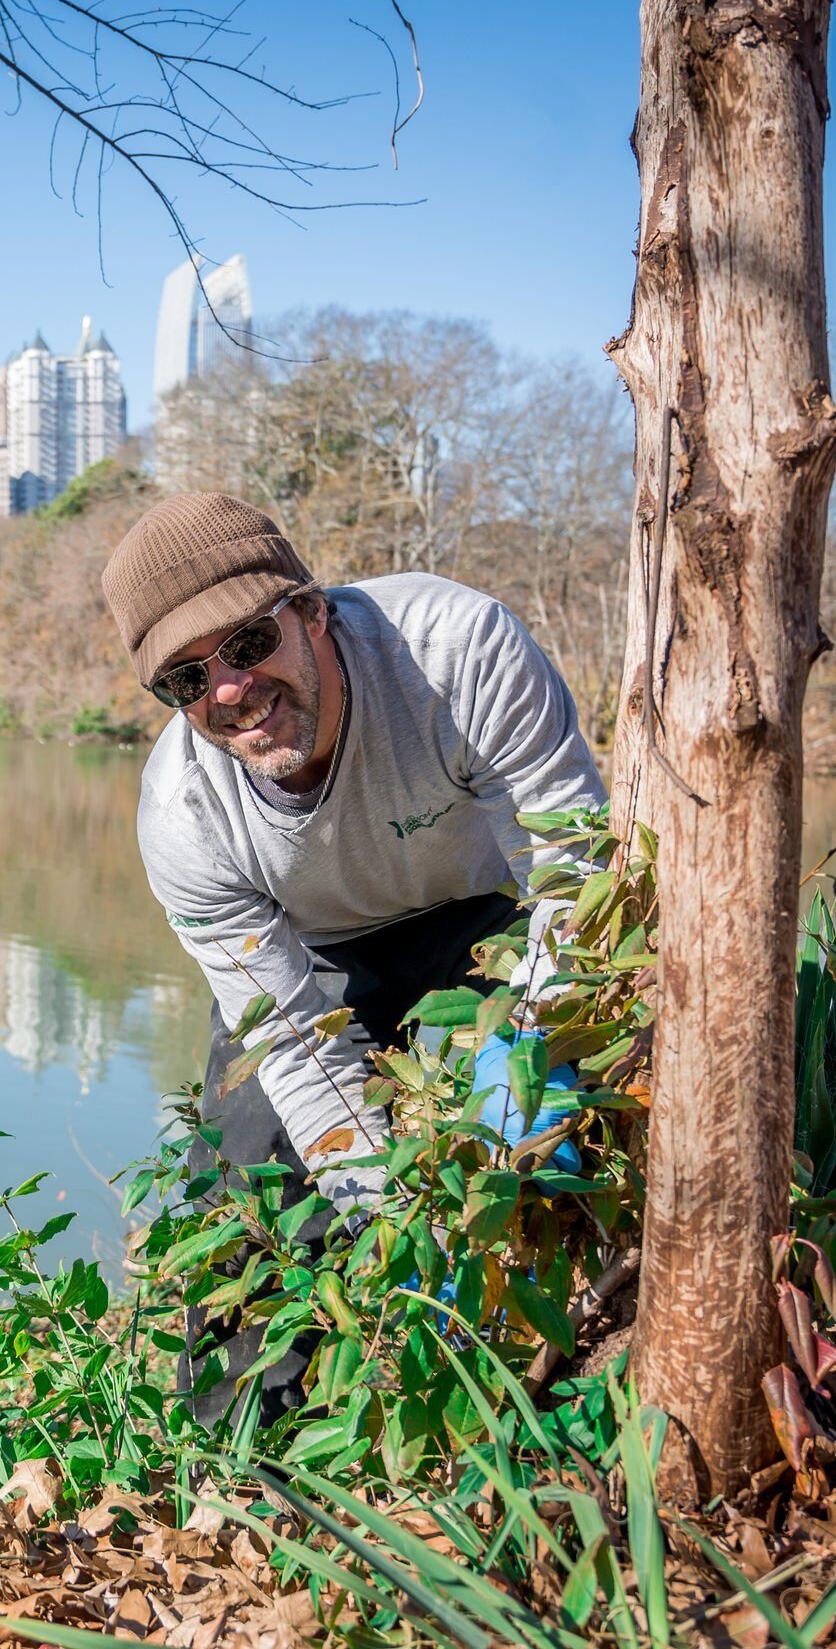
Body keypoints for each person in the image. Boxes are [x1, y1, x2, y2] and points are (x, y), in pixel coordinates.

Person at [101, 492, 605, 1423]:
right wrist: (386, 1207)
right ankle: (251, 1460)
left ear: (313, 611)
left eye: (249, 644)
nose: (227, 691)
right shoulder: (183, 815)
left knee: (544, 1143)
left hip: (496, 914)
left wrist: (536, 1039)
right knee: (243, 1184)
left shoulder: (458, 654)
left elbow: (575, 872)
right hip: (319, 959)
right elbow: (290, 1039)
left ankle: (552, 1396)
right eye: (184, 679)